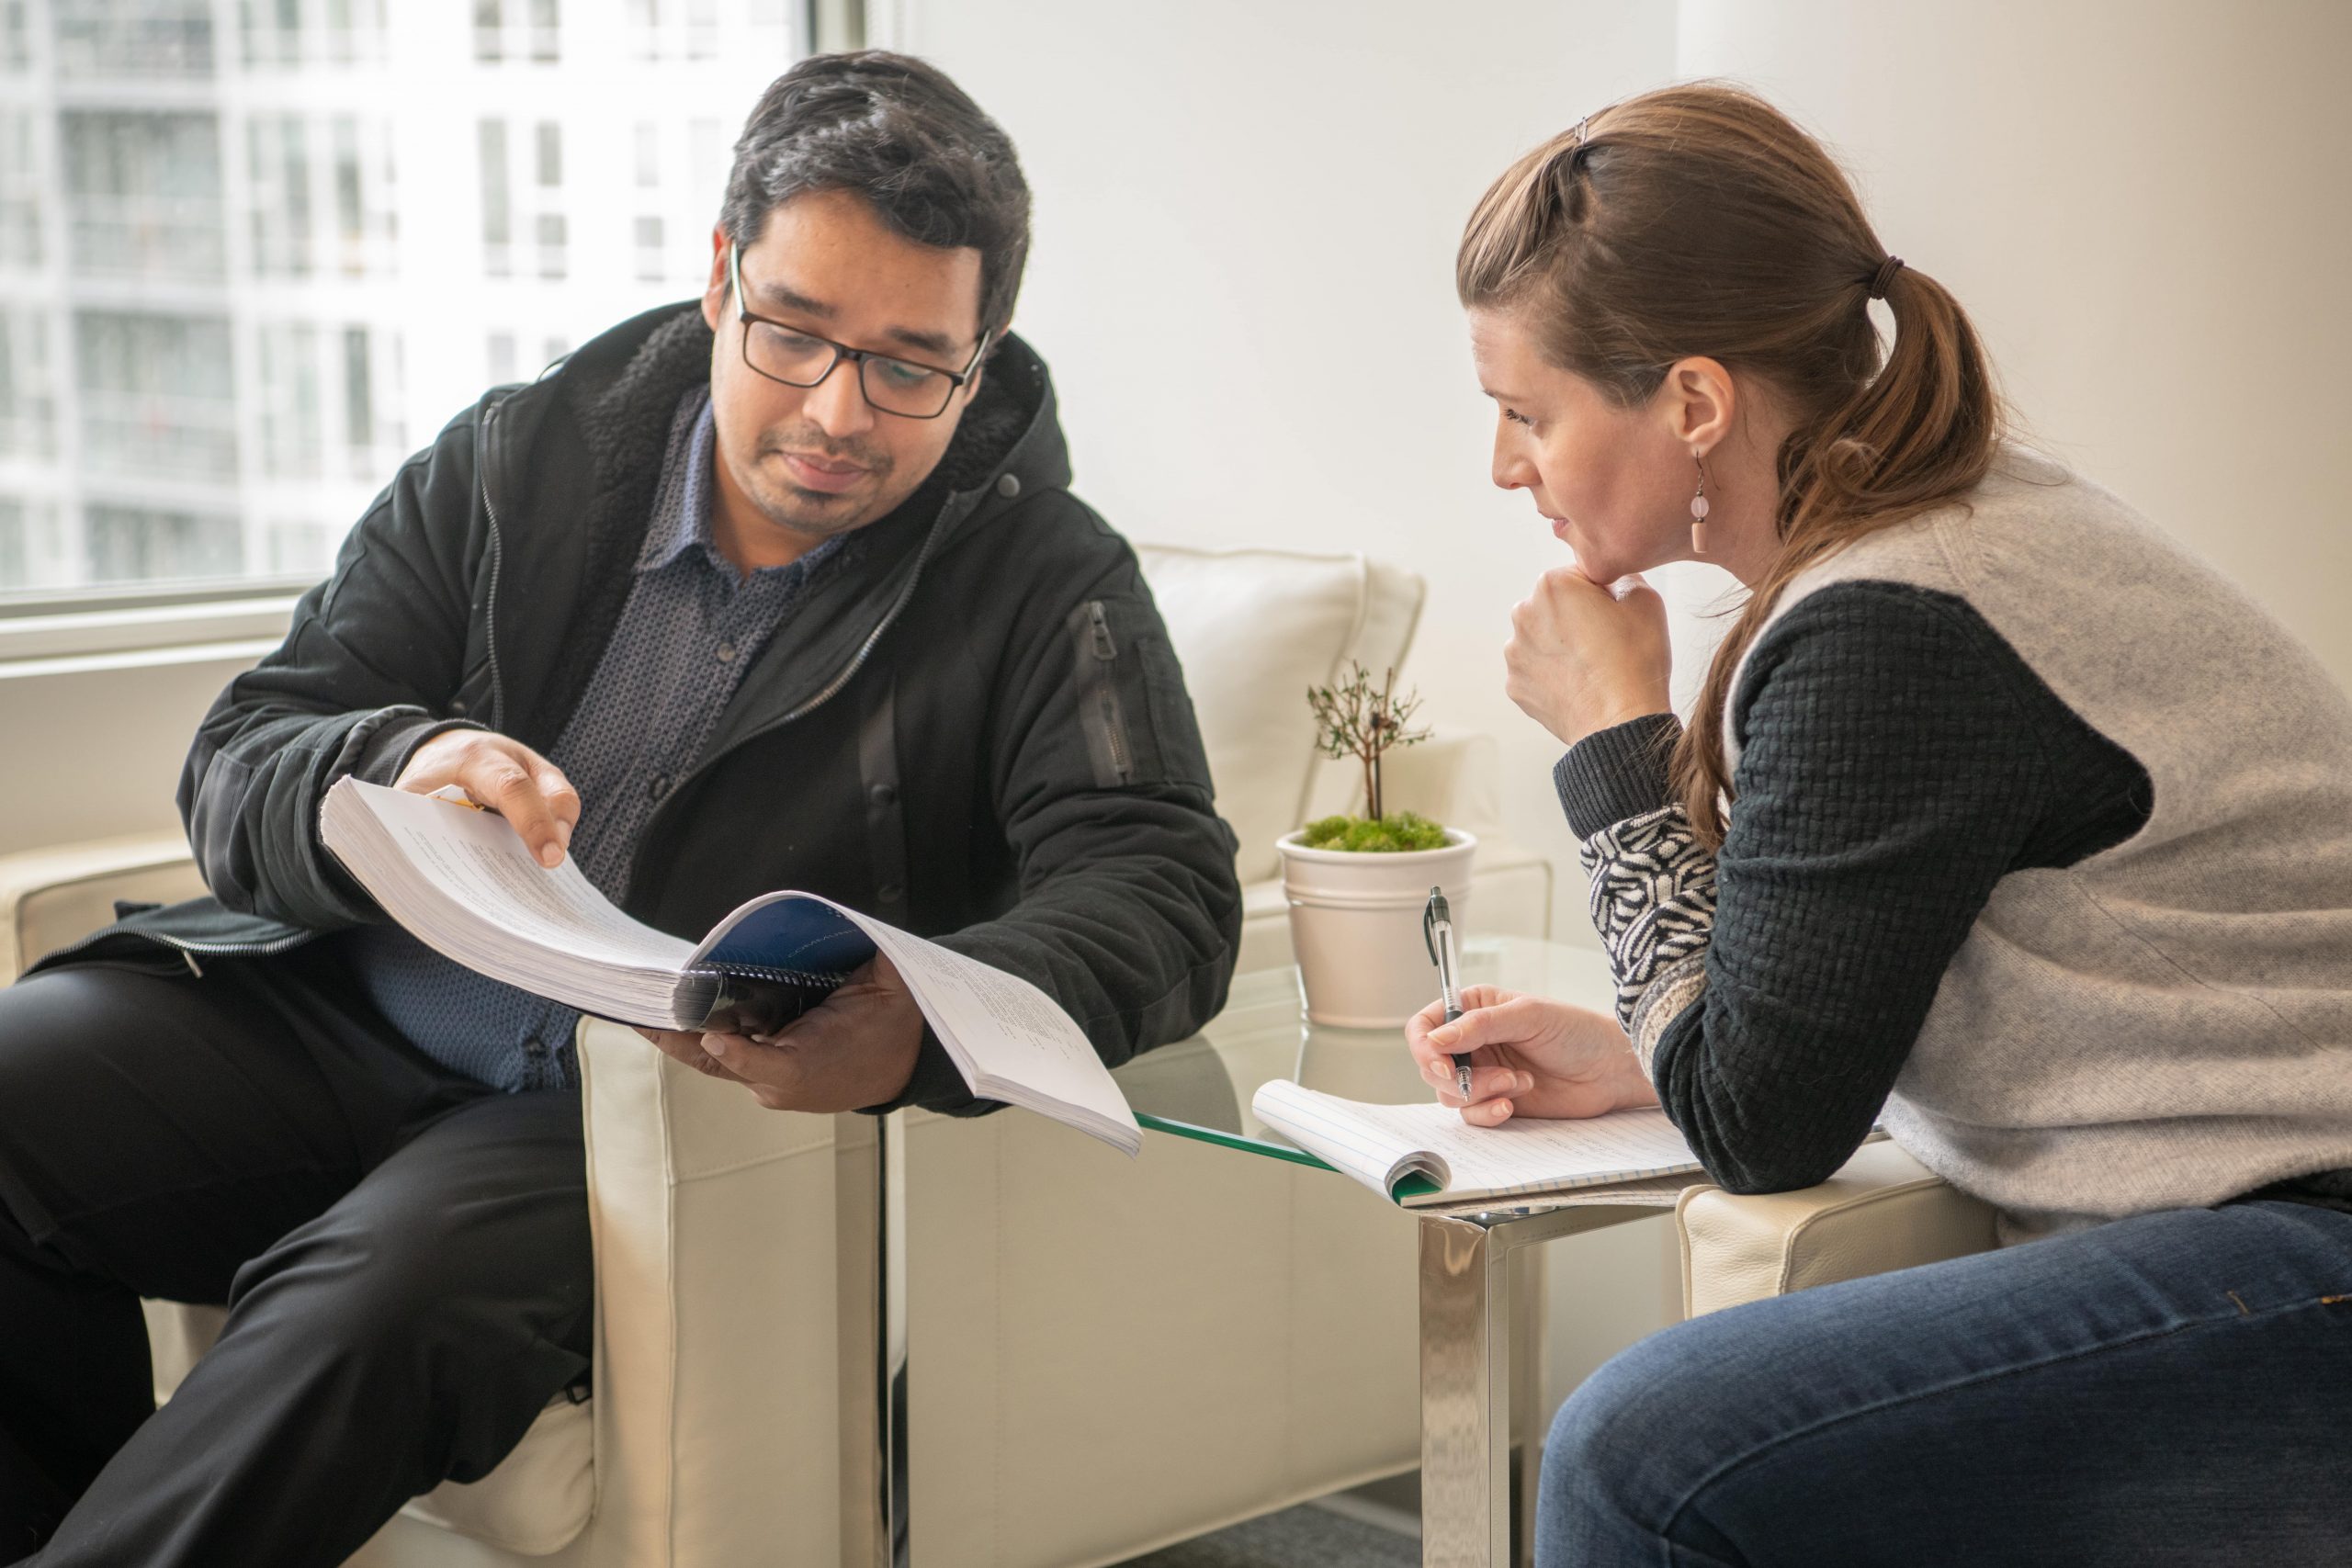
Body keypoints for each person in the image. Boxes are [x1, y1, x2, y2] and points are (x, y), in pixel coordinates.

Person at [0, 51, 1240, 1567]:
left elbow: (1163, 885)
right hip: (332, 1012)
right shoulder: (521, 461)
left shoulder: (1048, 579)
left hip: (634, 1106)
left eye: (912, 366)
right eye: (795, 333)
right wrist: (397, 758)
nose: (840, 413)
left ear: (982, 361)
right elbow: (246, 751)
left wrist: (924, 1015)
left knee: (388, 1301)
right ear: (723, 279)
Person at [1408, 83, 2352, 1565]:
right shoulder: (1948, 538)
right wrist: (1649, 1055)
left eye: (1528, 414)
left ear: (1697, 403)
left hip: (2315, 1245)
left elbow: (1764, 1127)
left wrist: (1612, 741)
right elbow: (1824, 1039)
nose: (1506, 467)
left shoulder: (1889, 622)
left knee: (1644, 1454)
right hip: (2273, 1225)